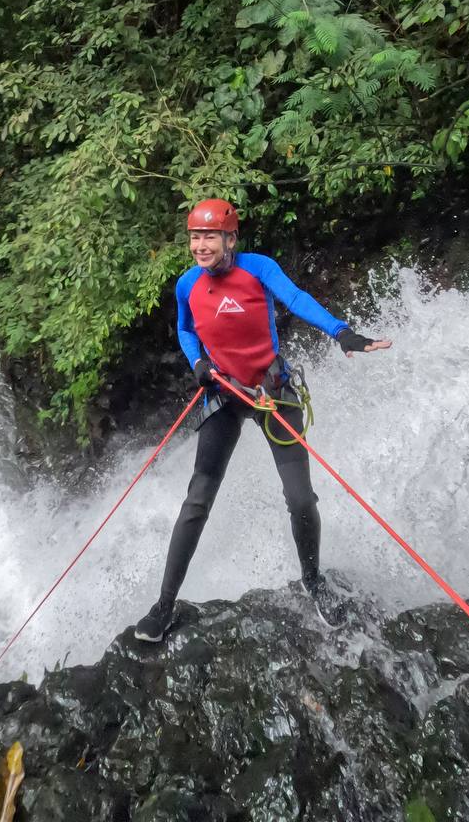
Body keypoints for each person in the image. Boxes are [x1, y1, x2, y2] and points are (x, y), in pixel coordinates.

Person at [133, 199, 391, 643]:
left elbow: (296, 299)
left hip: (272, 392)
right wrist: (197, 363)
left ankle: (314, 583)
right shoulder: (187, 284)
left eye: (209, 237)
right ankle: (164, 605)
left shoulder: (258, 269)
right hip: (224, 394)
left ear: (230, 239)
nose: (200, 245)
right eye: (195, 237)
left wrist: (342, 332)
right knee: (197, 501)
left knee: (301, 498)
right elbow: (186, 329)